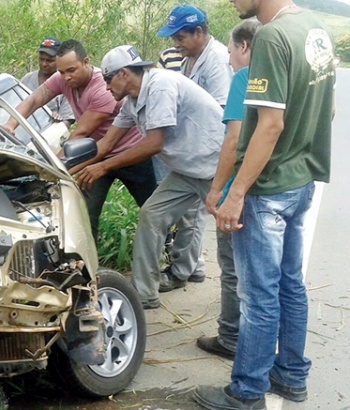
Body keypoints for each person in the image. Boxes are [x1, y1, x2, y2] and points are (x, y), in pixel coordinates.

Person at [194, 1, 336, 409]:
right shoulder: (315, 27)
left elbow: (269, 125)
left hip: (268, 190)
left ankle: (247, 392)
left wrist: (234, 194)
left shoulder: (271, 36)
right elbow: (327, 108)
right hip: (300, 180)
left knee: (259, 296)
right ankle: (290, 375)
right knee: (290, 285)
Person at [74, 45, 224, 309]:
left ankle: (246, 308)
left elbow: (154, 143)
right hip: (187, 169)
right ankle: (144, 294)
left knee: (231, 237)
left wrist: (104, 168)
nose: (106, 86)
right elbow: (106, 144)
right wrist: (65, 169)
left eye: (107, 79)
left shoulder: (160, 85)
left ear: (123, 73)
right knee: (152, 214)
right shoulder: (131, 100)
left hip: (215, 165)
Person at [4, 40, 158, 242]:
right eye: (61, 72)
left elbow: (80, 134)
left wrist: (49, 170)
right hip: (94, 153)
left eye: (71, 70)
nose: (66, 77)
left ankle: (167, 250)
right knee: (86, 213)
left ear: (86, 62)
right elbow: (36, 98)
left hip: (130, 155)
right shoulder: (63, 78)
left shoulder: (103, 89)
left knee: (152, 210)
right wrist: (10, 124)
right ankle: (87, 265)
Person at [156, 4, 235, 289]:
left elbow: (222, 113)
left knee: (195, 212)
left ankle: (181, 272)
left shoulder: (215, 60)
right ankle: (192, 266)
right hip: (197, 147)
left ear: (198, 32)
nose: (176, 45)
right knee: (192, 213)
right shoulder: (192, 57)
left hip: (212, 149)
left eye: (180, 38)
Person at [197, 18, 261, 362]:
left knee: (233, 266)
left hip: (241, 186)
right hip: (277, 186)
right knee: (269, 272)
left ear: (244, 47)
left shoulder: (243, 79)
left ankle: (231, 336)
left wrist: (217, 190)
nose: (230, 60)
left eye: (231, 51)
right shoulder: (286, 75)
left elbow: (234, 140)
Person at [20, 37, 74, 127]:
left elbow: (67, 120)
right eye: (41, 59)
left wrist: (56, 120)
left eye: (49, 61)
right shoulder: (28, 78)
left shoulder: (66, 83)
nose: (44, 64)